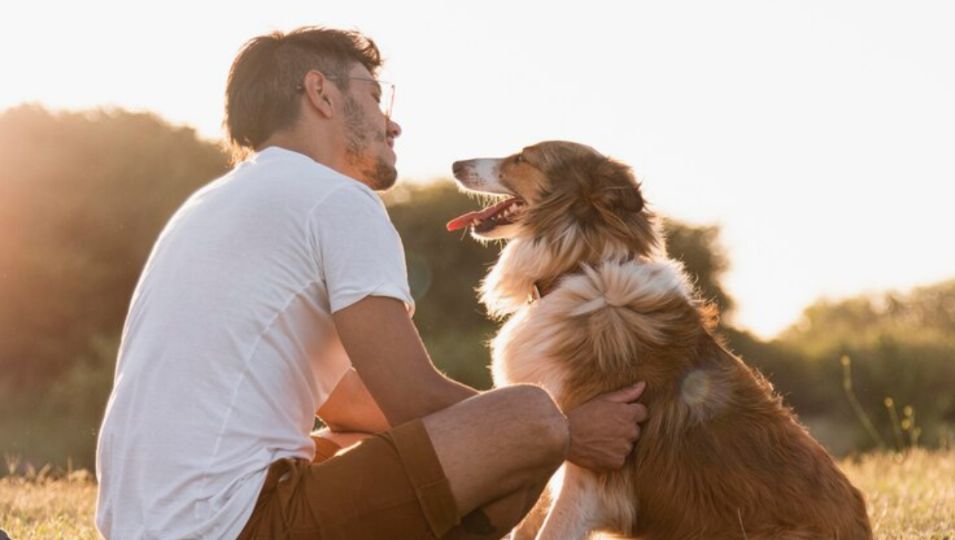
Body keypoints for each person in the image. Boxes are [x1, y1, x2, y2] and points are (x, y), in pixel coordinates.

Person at [95, 26, 649, 539]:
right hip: (229, 525)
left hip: (145, 525)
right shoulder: (337, 200)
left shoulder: (214, 203)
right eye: (374, 97)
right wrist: (566, 432)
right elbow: (412, 397)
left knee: (354, 443)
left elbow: (344, 400)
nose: (392, 123)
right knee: (527, 414)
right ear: (322, 94)